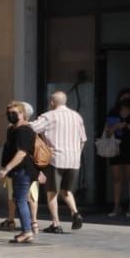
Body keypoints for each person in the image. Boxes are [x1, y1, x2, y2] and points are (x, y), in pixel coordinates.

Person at [31, 87, 89, 232]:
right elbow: (83, 140)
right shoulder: (77, 116)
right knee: (67, 191)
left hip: (55, 158)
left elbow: (32, 129)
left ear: (51, 102)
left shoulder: (49, 116)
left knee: (52, 193)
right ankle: (75, 213)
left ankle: (56, 223)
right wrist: (77, 153)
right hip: (73, 160)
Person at [0, 101, 43, 243]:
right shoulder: (13, 129)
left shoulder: (24, 130)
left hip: (23, 170)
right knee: (20, 200)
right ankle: (26, 230)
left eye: (15, 113)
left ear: (23, 114)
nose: (11, 115)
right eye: (9, 113)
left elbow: (21, 153)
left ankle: (27, 231)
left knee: (21, 201)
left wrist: (7, 168)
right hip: (19, 171)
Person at [105, 94, 130, 218]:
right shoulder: (113, 112)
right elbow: (107, 132)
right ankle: (117, 206)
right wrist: (115, 127)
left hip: (129, 147)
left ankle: (129, 207)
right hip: (115, 147)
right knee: (116, 178)